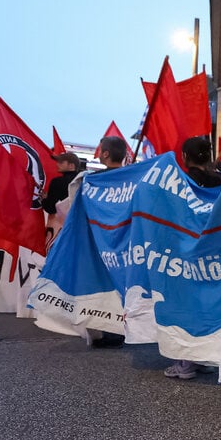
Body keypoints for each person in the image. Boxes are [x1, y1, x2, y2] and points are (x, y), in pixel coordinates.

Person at [163, 136, 221, 380]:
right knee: (207, 301)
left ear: (185, 157)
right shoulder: (220, 181)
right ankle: (205, 358)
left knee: (185, 304)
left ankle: (186, 363)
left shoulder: (180, 182)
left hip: (185, 248)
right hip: (214, 249)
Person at [88, 135, 131, 348]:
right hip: (126, 245)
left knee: (105, 285)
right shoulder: (132, 180)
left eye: (100, 149)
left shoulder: (93, 181)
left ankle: (111, 329)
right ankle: (124, 328)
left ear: (105, 153)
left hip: (101, 243)